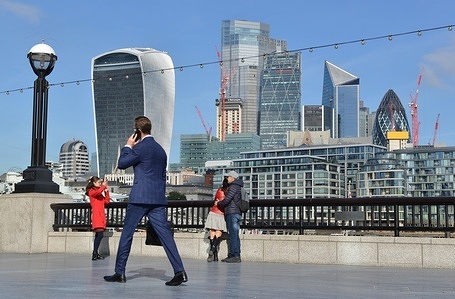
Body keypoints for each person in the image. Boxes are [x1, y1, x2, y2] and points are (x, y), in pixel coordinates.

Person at [104, 116, 188, 286]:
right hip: (157, 198)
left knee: (127, 234)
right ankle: (180, 271)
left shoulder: (140, 148)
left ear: (137, 131)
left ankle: (119, 273)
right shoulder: (160, 150)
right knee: (165, 235)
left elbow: (121, 164)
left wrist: (128, 145)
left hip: (140, 198)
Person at [216, 170, 243, 263]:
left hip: (232, 212)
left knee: (233, 235)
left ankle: (234, 255)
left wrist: (218, 203)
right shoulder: (237, 186)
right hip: (235, 212)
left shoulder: (233, 187)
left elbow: (227, 200)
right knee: (234, 234)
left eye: (228, 177)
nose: (226, 178)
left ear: (232, 178)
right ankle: (233, 254)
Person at [86, 176, 110, 261]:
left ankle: (95, 252)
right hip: (97, 216)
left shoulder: (99, 193)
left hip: (101, 216)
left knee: (98, 235)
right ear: (94, 183)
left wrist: (106, 191)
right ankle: (95, 252)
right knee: (100, 234)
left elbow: (107, 201)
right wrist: (103, 186)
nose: (100, 184)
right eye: (99, 182)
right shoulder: (92, 192)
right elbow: (98, 192)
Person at [204, 177, 228, 262]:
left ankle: (213, 254)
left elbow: (215, 200)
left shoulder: (219, 190)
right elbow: (226, 202)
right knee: (218, 234)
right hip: (221, 214)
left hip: (213, 212)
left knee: (212, 235)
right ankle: (214, 251)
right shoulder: (228, 192)